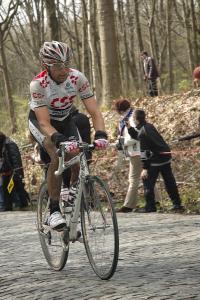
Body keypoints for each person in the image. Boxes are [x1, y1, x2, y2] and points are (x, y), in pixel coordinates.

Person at [28, 41, 108, 230]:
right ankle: (53, 211)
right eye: (57, 65)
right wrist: (58, 138)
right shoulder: (38, 84)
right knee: (57, 153)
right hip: (42, 123)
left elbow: (95, 112)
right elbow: (44, 123)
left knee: (79, 154)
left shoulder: (77, 78)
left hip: (65, 118)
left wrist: (101, 133)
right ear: (45, 66)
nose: (63, 70)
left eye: (66, 64)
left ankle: (72, 193)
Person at [126, 109, 184, 213]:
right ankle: (177, 204)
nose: (133, 121)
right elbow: (139, 136)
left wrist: (145, 168)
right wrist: (129, 128)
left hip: (155, 161)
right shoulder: (149, 126)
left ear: (136, 120)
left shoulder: (143, 132)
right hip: (165, 158)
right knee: (169, 182)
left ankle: (150, 206)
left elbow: (144, 152)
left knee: (147, 183)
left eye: (133, 120)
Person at [113, 99, 161, 213]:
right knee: (147, 177)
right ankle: (156, 200)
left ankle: (129, 205)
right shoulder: (130, 116)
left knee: (133, 178)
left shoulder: (131, 118)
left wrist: (121, 143)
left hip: (137, 151)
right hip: (137, 151)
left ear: (120, 110)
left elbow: (135, 136)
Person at [0, 132, 29, 211]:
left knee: (18, 187)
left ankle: (23, 206)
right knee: (6, 188)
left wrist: (16, 171)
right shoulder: (3, 144)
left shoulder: (9, 144)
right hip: (7, 171)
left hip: (14, 170)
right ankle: (7, 206)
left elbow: (15, 159)